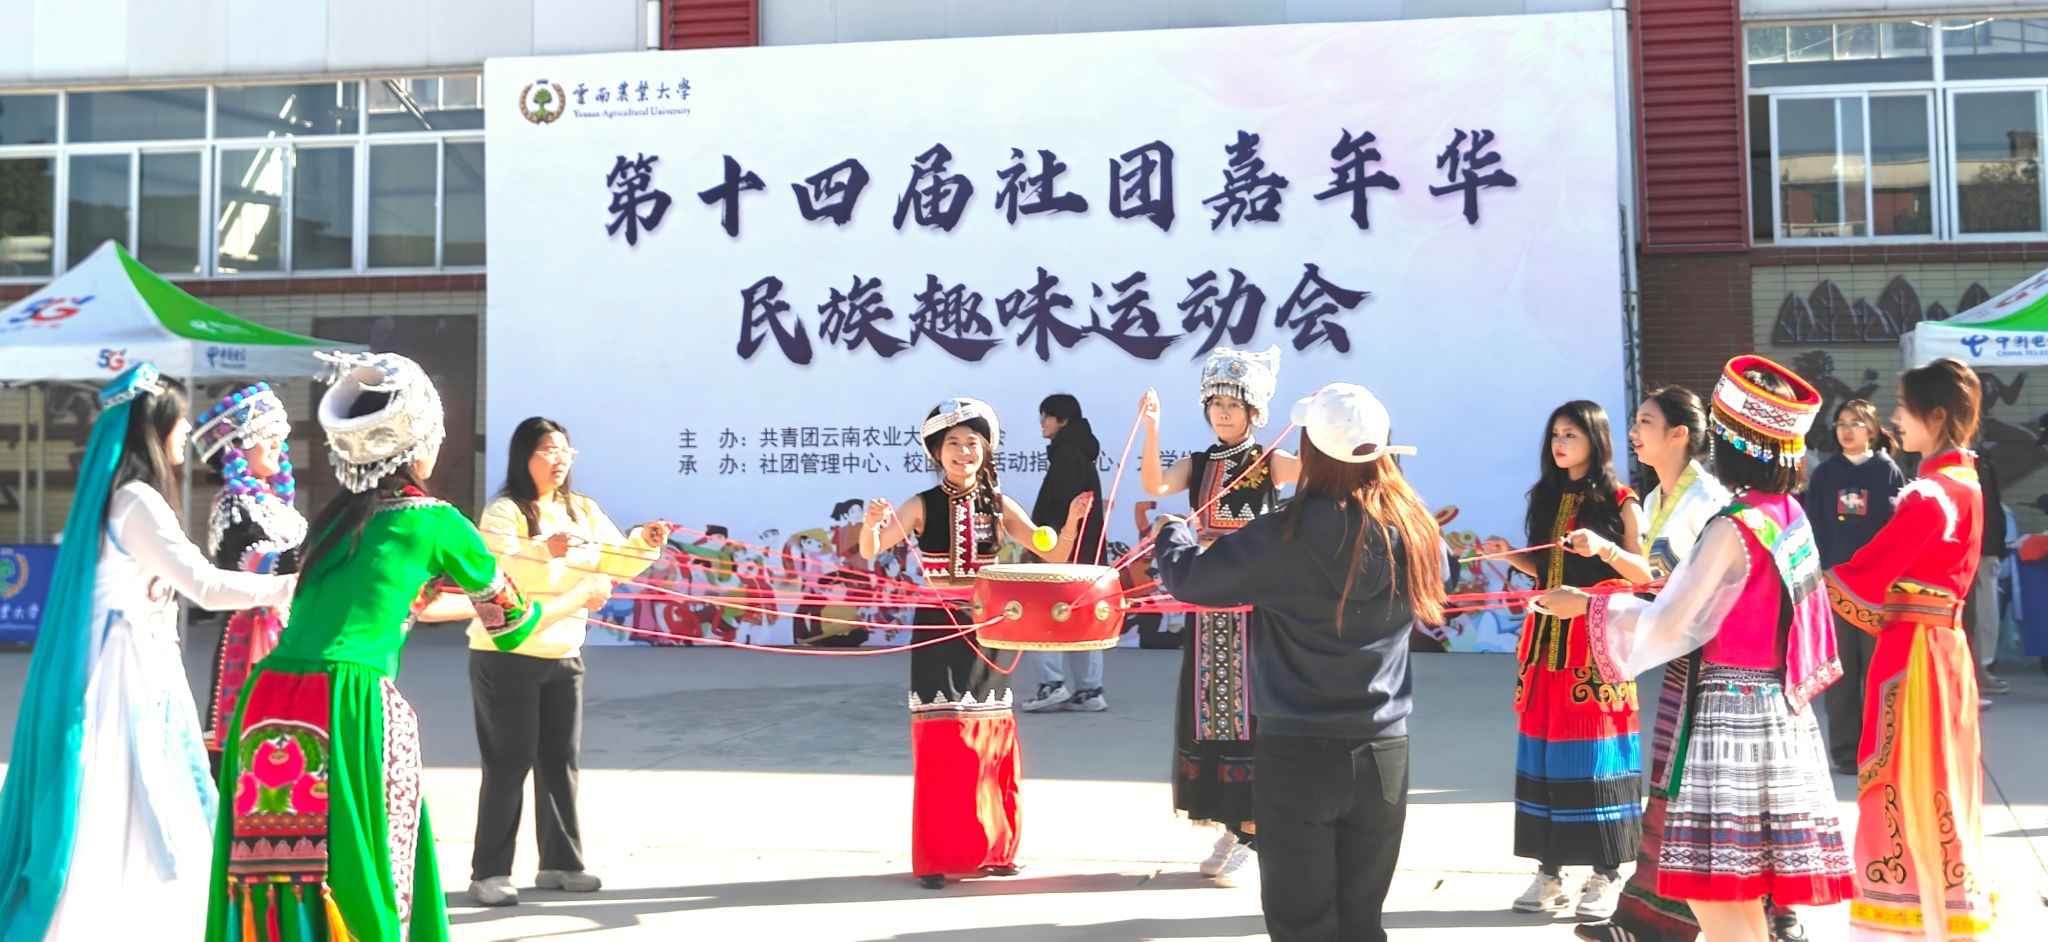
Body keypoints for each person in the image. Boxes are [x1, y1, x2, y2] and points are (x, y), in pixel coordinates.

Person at [205, 353, 606, 940]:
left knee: (279, 868)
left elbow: (410, 606)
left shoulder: (336, 520)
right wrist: (581, 595)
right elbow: (513, 626)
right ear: (420, 445)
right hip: (349, 702)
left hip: (269, 697)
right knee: (364, 867)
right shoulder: (439, 520)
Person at [1539, 356, 1855, 942]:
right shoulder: (1788, 515)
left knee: (1709, 886)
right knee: (1744, 888)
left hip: (1727, 717)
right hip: (1779, 710)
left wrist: (1587, 605)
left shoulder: (1731, 525)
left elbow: (1673, 620)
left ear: (1734, 446)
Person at [0, 364, 296, 941]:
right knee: (131, 799)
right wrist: (294, 585)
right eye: (178, 423)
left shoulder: (121, 500)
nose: (185, 433)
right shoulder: (137, 501)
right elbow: (205, 585)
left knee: (132, 801)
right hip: (122, 680)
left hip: (136, 668)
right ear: (153, 430)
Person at [1152, 382, 1442, 942]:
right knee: (1361, 920)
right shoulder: (1415, 529)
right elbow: (1441, 572)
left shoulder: (1282, 533)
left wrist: (1173, 534)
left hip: (1298, 749)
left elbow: (1191, 579)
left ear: (1310, 449)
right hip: (1384, 749)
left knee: (1300, 922)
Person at [858, 397, 1092, 890]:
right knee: (943, 740)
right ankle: (936, 857)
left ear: (985, 450)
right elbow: (871, 548)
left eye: (972, 443)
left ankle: (996, 850)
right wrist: (871, 523)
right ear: (936, 452)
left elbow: (1051, 550)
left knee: (991, 739)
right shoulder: (921, 504)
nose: (963, 452)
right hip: (937, 627)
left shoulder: (999, 505)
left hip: (987, 627)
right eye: (953, 443)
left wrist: (1071, 522)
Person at [1822, 357, 1997, 940]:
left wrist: (1800, 584)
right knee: (1941, 776)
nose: (1895, 419)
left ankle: (1909, 916)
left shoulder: (1931, 495)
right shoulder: (1966, 483)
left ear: (1937, 415)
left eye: (1904, 408)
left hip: (1915, 653)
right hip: (1942, 647)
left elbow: (1866, 574)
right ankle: (1943, 909)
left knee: (1905, 775)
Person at [464, 417, 670, 906]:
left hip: (564, 652)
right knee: (508, 763)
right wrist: (545, 549)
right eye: (548, 450)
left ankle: (560, 863)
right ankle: (489, 873)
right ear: (524, 457)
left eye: (564, 451)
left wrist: (644, 541)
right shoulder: (504, 511)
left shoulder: (582, 509)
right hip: (507, 654)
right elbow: (495, 572)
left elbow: (613, 560)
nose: (559, 460)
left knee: (559, 762)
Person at [1137, 344, 1299, 887]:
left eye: (1233, 405)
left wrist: (1317, 427)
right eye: (1216, 404)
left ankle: (1255, 832)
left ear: (1255, 411)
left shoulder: (1270, 460)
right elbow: (1155, 486)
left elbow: (1318, 470)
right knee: (1212, 715)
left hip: (1256, 609)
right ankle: (1234, 824)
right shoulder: (1201, 463)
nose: (1223, 414)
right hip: (1209, 609)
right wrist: (1152, 427)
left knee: (1252, 714)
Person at [1482, 400, 1645, 919]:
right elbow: (1549, 568)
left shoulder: (1622, 500)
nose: (1559, 443)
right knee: (1545, 758)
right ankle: (1550, 872)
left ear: (1596, 440)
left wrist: (1604, 549)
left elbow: (1646, 574)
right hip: (1545, 646)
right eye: (1555, 434)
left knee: (1596, 759)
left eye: (1571, 434)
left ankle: (1606, 874)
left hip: (1596, 647)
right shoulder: (1546, 496)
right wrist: (1509, 555)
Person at [192, 382, 309, 777]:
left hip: (288, 624)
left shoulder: (270, 502)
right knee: (249, 740)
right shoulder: (233, 504)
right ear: (237, 449)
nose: (278, 446)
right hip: (252, 631)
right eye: (266, 437)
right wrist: (319, 552)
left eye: (279, 437)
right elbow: (254, 561)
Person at [1801, 399, 1905, 775]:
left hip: (1878, 591)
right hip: (1836, 588)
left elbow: (1899, 532)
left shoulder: (1888, 472)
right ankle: (1846, 752)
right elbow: (1812, 528)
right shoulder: (1826, 474)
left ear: (1872, 430)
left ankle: (1877, 749)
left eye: (1856, 423)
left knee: (1877, 674)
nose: (1847, 430)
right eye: (1841, 423)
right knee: (1841, 677)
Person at [1020, 393, 1110, 714]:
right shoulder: (1077, 453)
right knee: (1083, 620)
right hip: (1085, 555)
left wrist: (1039, 548)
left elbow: (1058, 509)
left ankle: (1052, 684)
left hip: (1062, 554)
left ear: (1063, 420)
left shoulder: (1068, 455)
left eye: (1047, 416)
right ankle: (1089, 691)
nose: (1042, 423)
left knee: (1040, 615)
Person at [1965, 436, 2010, 701]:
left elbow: (1990, 504)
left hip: (1984, 544)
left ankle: (1981, 668)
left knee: (1985, 611)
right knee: (1978, 612)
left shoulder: (1979, 456)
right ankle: (1978, 671)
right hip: (1971, 544)